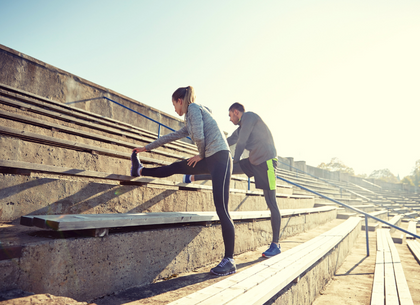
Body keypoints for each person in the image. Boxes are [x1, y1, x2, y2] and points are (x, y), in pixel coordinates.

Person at [130, 86, 236, 276]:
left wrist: (200, 155)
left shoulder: (194, 108)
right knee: (176, 167)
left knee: (222, 209)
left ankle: (229, 260)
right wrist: (146, 148)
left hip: (219, 158)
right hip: (210, 158)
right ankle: (140, 169)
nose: (175, 110)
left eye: (174, 105)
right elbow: (170, 136)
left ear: (180, 100)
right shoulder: (190, 118)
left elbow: (202, 136)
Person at [184, 102, 281, 258]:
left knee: (271, 202)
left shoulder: (249, 117)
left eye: (230, 115)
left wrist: (235, 159)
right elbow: (226, 142)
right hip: (254, 161)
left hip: (267, 161)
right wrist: (204, 150)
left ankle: (276, 244)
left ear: (236, 112)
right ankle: (194, 176)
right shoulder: (240, 129)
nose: (229, 119)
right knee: (223, 170)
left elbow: (241, 142)